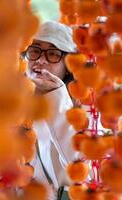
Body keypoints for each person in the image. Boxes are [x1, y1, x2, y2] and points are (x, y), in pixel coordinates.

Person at [23, 20, 77, 200]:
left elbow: (81, 166)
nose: (40, 60)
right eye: (35, 50)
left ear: (67, 67)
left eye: (53, 54)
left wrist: (56, 98)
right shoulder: (9, 103)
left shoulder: (83, 108)